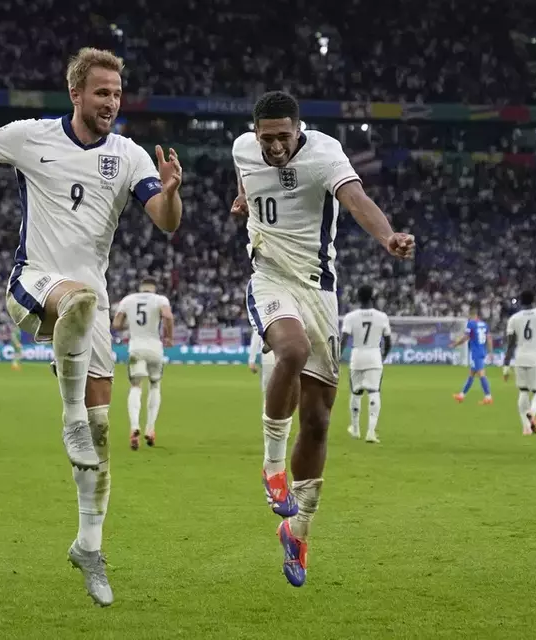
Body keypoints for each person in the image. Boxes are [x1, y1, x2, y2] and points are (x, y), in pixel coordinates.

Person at [0, 47, 183, 607]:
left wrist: (170, 194)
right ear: (75, 94)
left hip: (91, 306)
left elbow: (165, 224)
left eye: (117, 94)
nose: (111, 103)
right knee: (76, 304)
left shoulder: (127, 156)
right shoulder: (32, 136)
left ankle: (89, 548)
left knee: (99, 443)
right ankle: (69, 418)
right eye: (102, 93)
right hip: (35, 283)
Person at [231, 91, 415, 587]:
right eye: (265, 138)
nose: (272, 148)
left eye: (282, 138)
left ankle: (299, 530)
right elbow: (246, 175)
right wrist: (245, 201)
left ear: (299, 129)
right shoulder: (241, 149)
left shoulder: (326, 153)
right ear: (254, 133)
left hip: (319, 290)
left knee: (317, 421)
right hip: (269, 277)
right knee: (289, 350)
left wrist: (387, 237)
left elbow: (355, 199)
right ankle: (272, 471)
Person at [113, 277, 174, 450]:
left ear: (141, 288)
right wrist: (169, 337)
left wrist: (129, 325)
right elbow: (168, 316)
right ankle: (150, 429)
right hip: (155, 348)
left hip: (136, 348)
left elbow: (116, 324)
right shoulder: (160, 300)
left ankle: (134, 427)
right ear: (153, 288)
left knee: (135, 386)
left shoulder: (128, 300)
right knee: (155, 386)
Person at [339, 285, 392, 443]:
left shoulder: (350, 317)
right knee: (374, 392)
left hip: (357, 356)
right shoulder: (382, 316)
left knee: (356, 392)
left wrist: (336, 358)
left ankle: (355, 429)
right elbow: (388, 341)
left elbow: (343, 340)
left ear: (358, 297)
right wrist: (382, 356)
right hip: (374, 355)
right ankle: (370, 432)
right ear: (372, 297)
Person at [503, 291, 536, 435]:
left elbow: (510, 345)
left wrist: (506, 365)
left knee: (523, 391)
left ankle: (526, 428)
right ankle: (532, 412)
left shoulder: (514, 318)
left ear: (520, 301)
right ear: (535, 299)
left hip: (520, 359)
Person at [452, 305, 493, 405]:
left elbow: (466, 337)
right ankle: (461, 395)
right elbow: (489, 338)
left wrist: (456, 344)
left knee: (481, 374)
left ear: (471, 315)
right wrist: (490, 352)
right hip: (482, 351)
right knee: (471, 374)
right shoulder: (484, 324)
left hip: (476, 352)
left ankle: (488, 397)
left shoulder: (471, 323)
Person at [249, 330, 276, 411]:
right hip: (283, 356)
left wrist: (251, 360)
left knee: (268, 391)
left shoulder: (262, 319)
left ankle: (269, 417)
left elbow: (256, 337)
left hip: (270, 357)